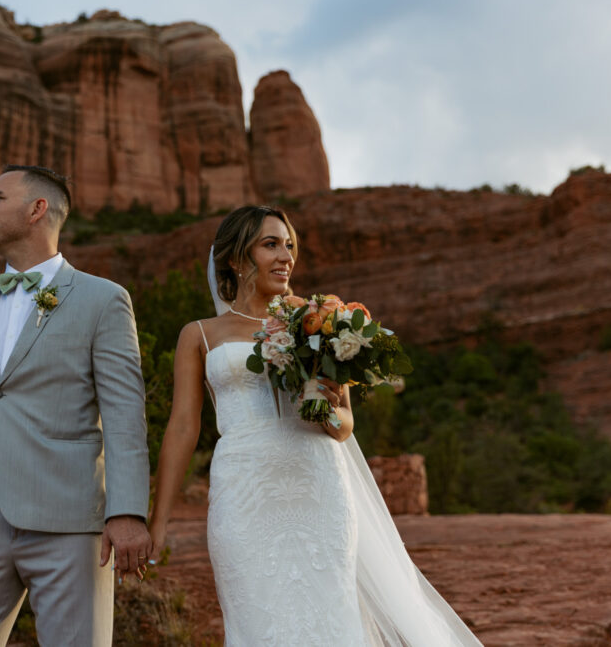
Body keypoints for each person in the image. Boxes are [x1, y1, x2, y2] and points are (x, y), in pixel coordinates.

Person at [147, 205, 482, 646]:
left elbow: (345, 424)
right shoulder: (200, 334)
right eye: (270, 244)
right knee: (256, 622)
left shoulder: (319, 320)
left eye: (289, 245)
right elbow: (183, 427)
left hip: (319, 487)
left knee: (330, 620)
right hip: (243, 496)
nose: (285, 256)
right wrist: (159, 522)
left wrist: (320, 408)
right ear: (234, 257)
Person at [0, 165, 152, 646]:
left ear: (37, 209)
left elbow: (124, 414)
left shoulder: (104, 299)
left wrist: (127, 510)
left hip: (70, 520)